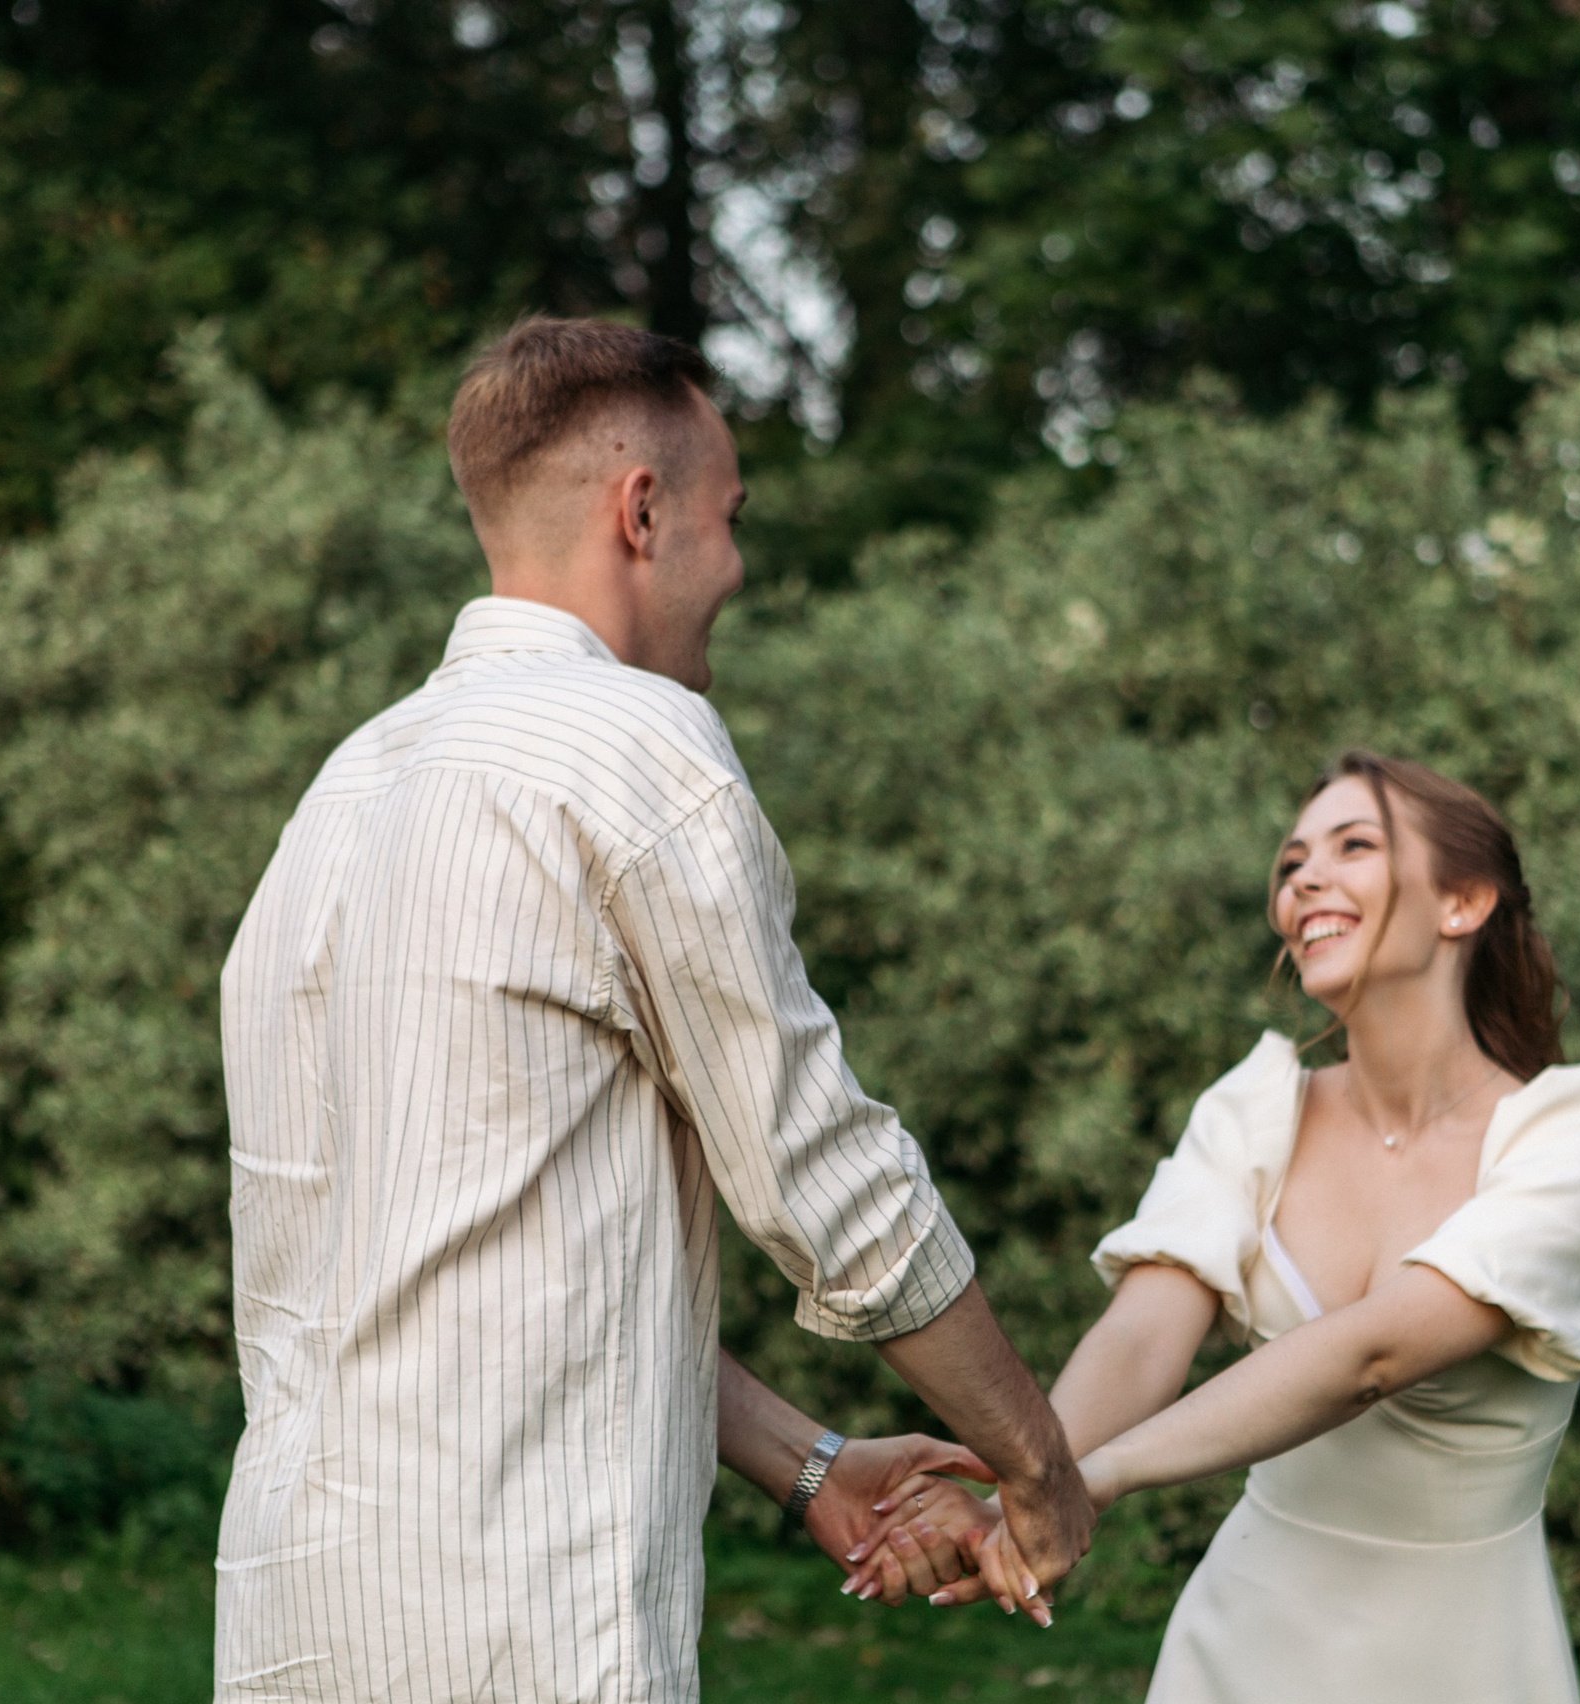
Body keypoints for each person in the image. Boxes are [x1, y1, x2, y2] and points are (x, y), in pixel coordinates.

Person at [212, 316, 1091, 1704]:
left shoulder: (341, 796)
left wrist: (809, 1465)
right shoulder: (636, 748)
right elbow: (833, 1188)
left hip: (290, 1617)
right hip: (525, 1615)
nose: (735, 564)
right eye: (729, 518)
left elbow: (476, 1262)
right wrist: (1042, 1472)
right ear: (643, 512)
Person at [855, 752, 1580, 1702]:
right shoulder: (1254, 1109)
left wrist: (1093, 1480)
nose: (1304, 878)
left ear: (1465, 902)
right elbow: (1144, 1331)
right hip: (1246, 1645)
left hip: (1468, 1653)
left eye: (1354, 845)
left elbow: (1376, 1356)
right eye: (1291, 863)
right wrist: (1023, 1494)